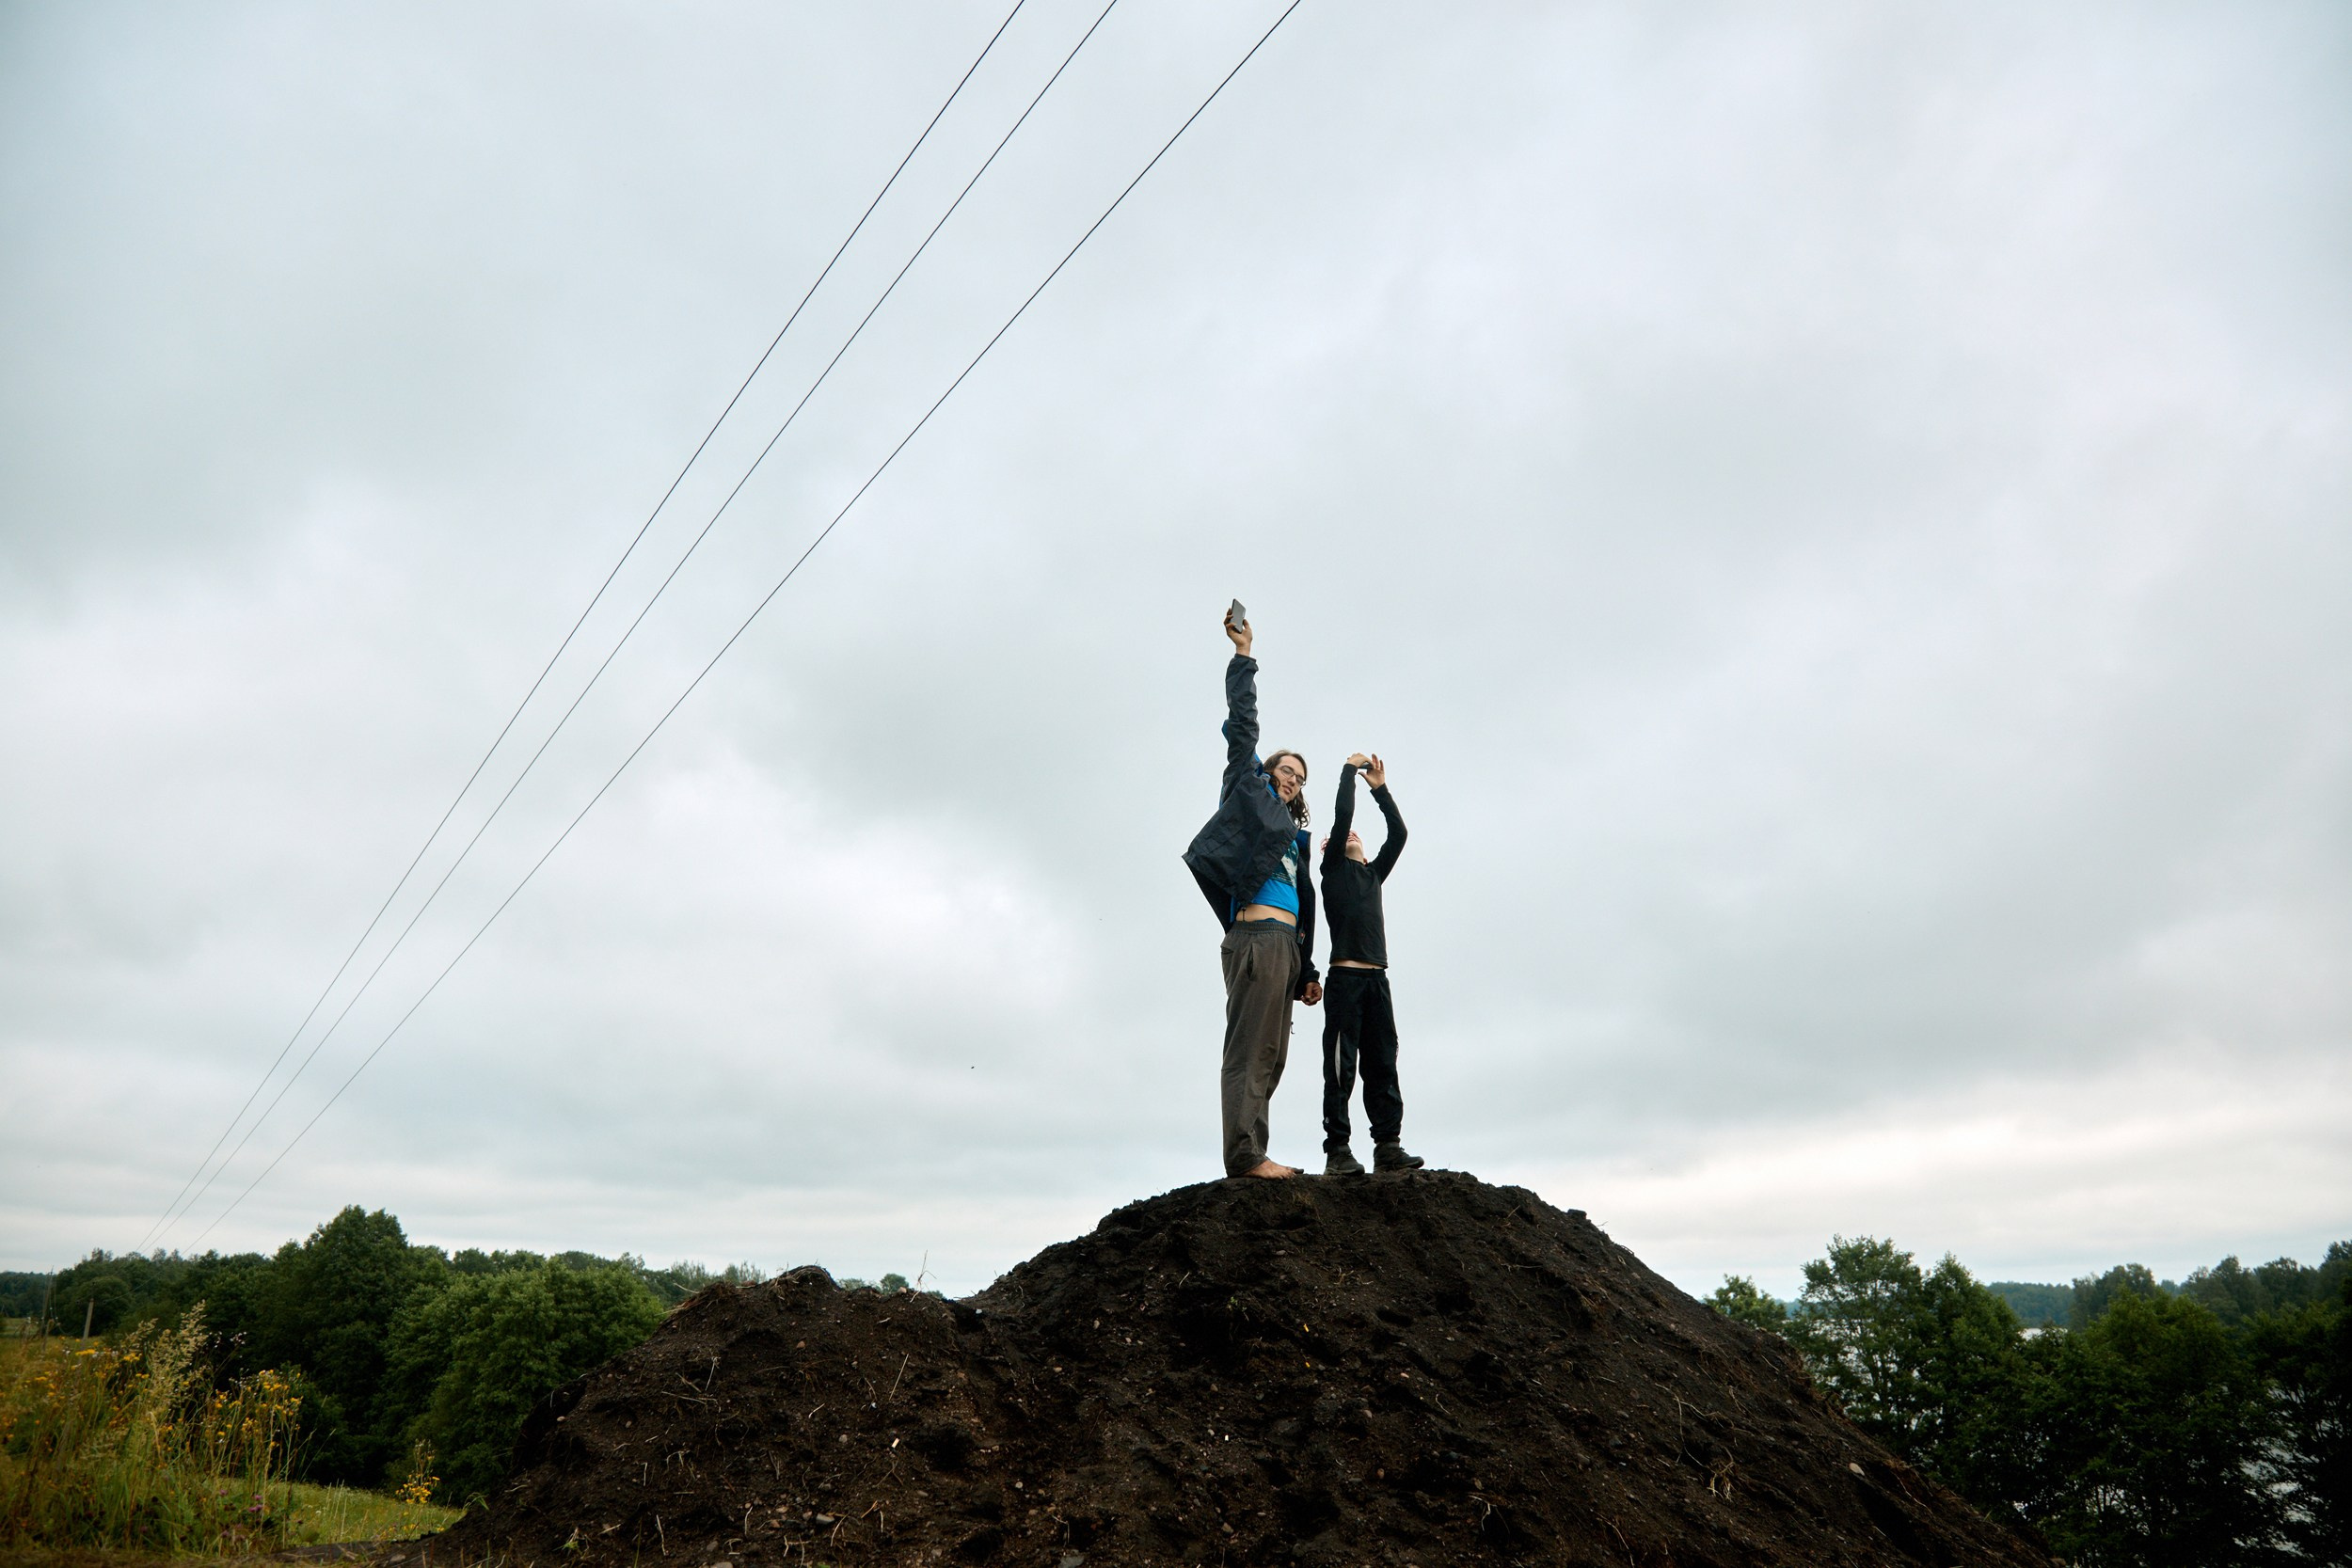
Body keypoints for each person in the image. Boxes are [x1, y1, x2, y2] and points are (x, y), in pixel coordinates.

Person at [1181, 607, 1321, 1180]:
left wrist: (1307, 967)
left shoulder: (1296, 837)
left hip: (1285, 947)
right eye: (1285, 769)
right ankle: (1244, 1156)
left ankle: (1254, 1150)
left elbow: (1306, 902)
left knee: (1272, 1054)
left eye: (1298, 778)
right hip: (1256, 937)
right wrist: (1244, 656)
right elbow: (1241, 727)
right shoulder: (1246, 788)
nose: (1291, 778)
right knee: (1248, 1050)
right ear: (1267, 771)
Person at [1317, 752, 1423, 1175]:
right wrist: (1348, 771)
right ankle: (1338, 1151)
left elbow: (1398, 834)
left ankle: (1387, 1146)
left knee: (1383, 1060)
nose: (1349, 836)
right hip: (1344, 979)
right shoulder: (1332, 872)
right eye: (1342, 838)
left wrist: (1380, 788)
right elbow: (1342, 815)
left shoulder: (1374, 874)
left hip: (1378, 981)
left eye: (1352, 837)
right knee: (1342, 1067)